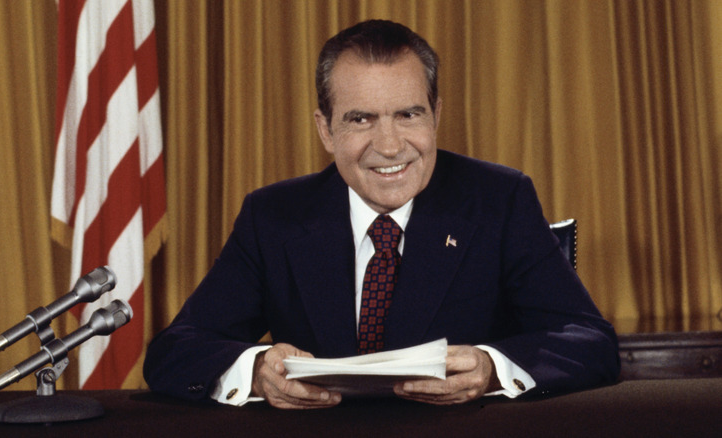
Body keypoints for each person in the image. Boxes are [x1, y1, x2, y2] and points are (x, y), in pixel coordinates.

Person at [144, 19, 620, 409]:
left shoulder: (499, 200)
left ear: (436, 115)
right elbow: (175, 351)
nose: (390, 146)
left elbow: (590, 340)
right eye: (361, 119)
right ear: (326, 130)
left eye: (408, 115)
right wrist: (255, 371)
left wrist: (491, 368)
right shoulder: (273, 216)